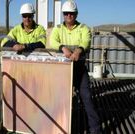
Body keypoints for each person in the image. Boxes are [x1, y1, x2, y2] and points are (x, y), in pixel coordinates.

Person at [50, 1, 100, 134]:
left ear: (76, 14)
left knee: (87, 98)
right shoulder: (58, 28)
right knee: (60, 99)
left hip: (79, 68)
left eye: (71, 13)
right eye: (66, 13)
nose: (69, 16)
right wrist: (62, 48)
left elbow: (86, 40)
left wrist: (78, 50)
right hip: (63, 69)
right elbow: (52, 41)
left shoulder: (83, 28)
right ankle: (59, 127)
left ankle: (95, 130)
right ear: (63, 15)